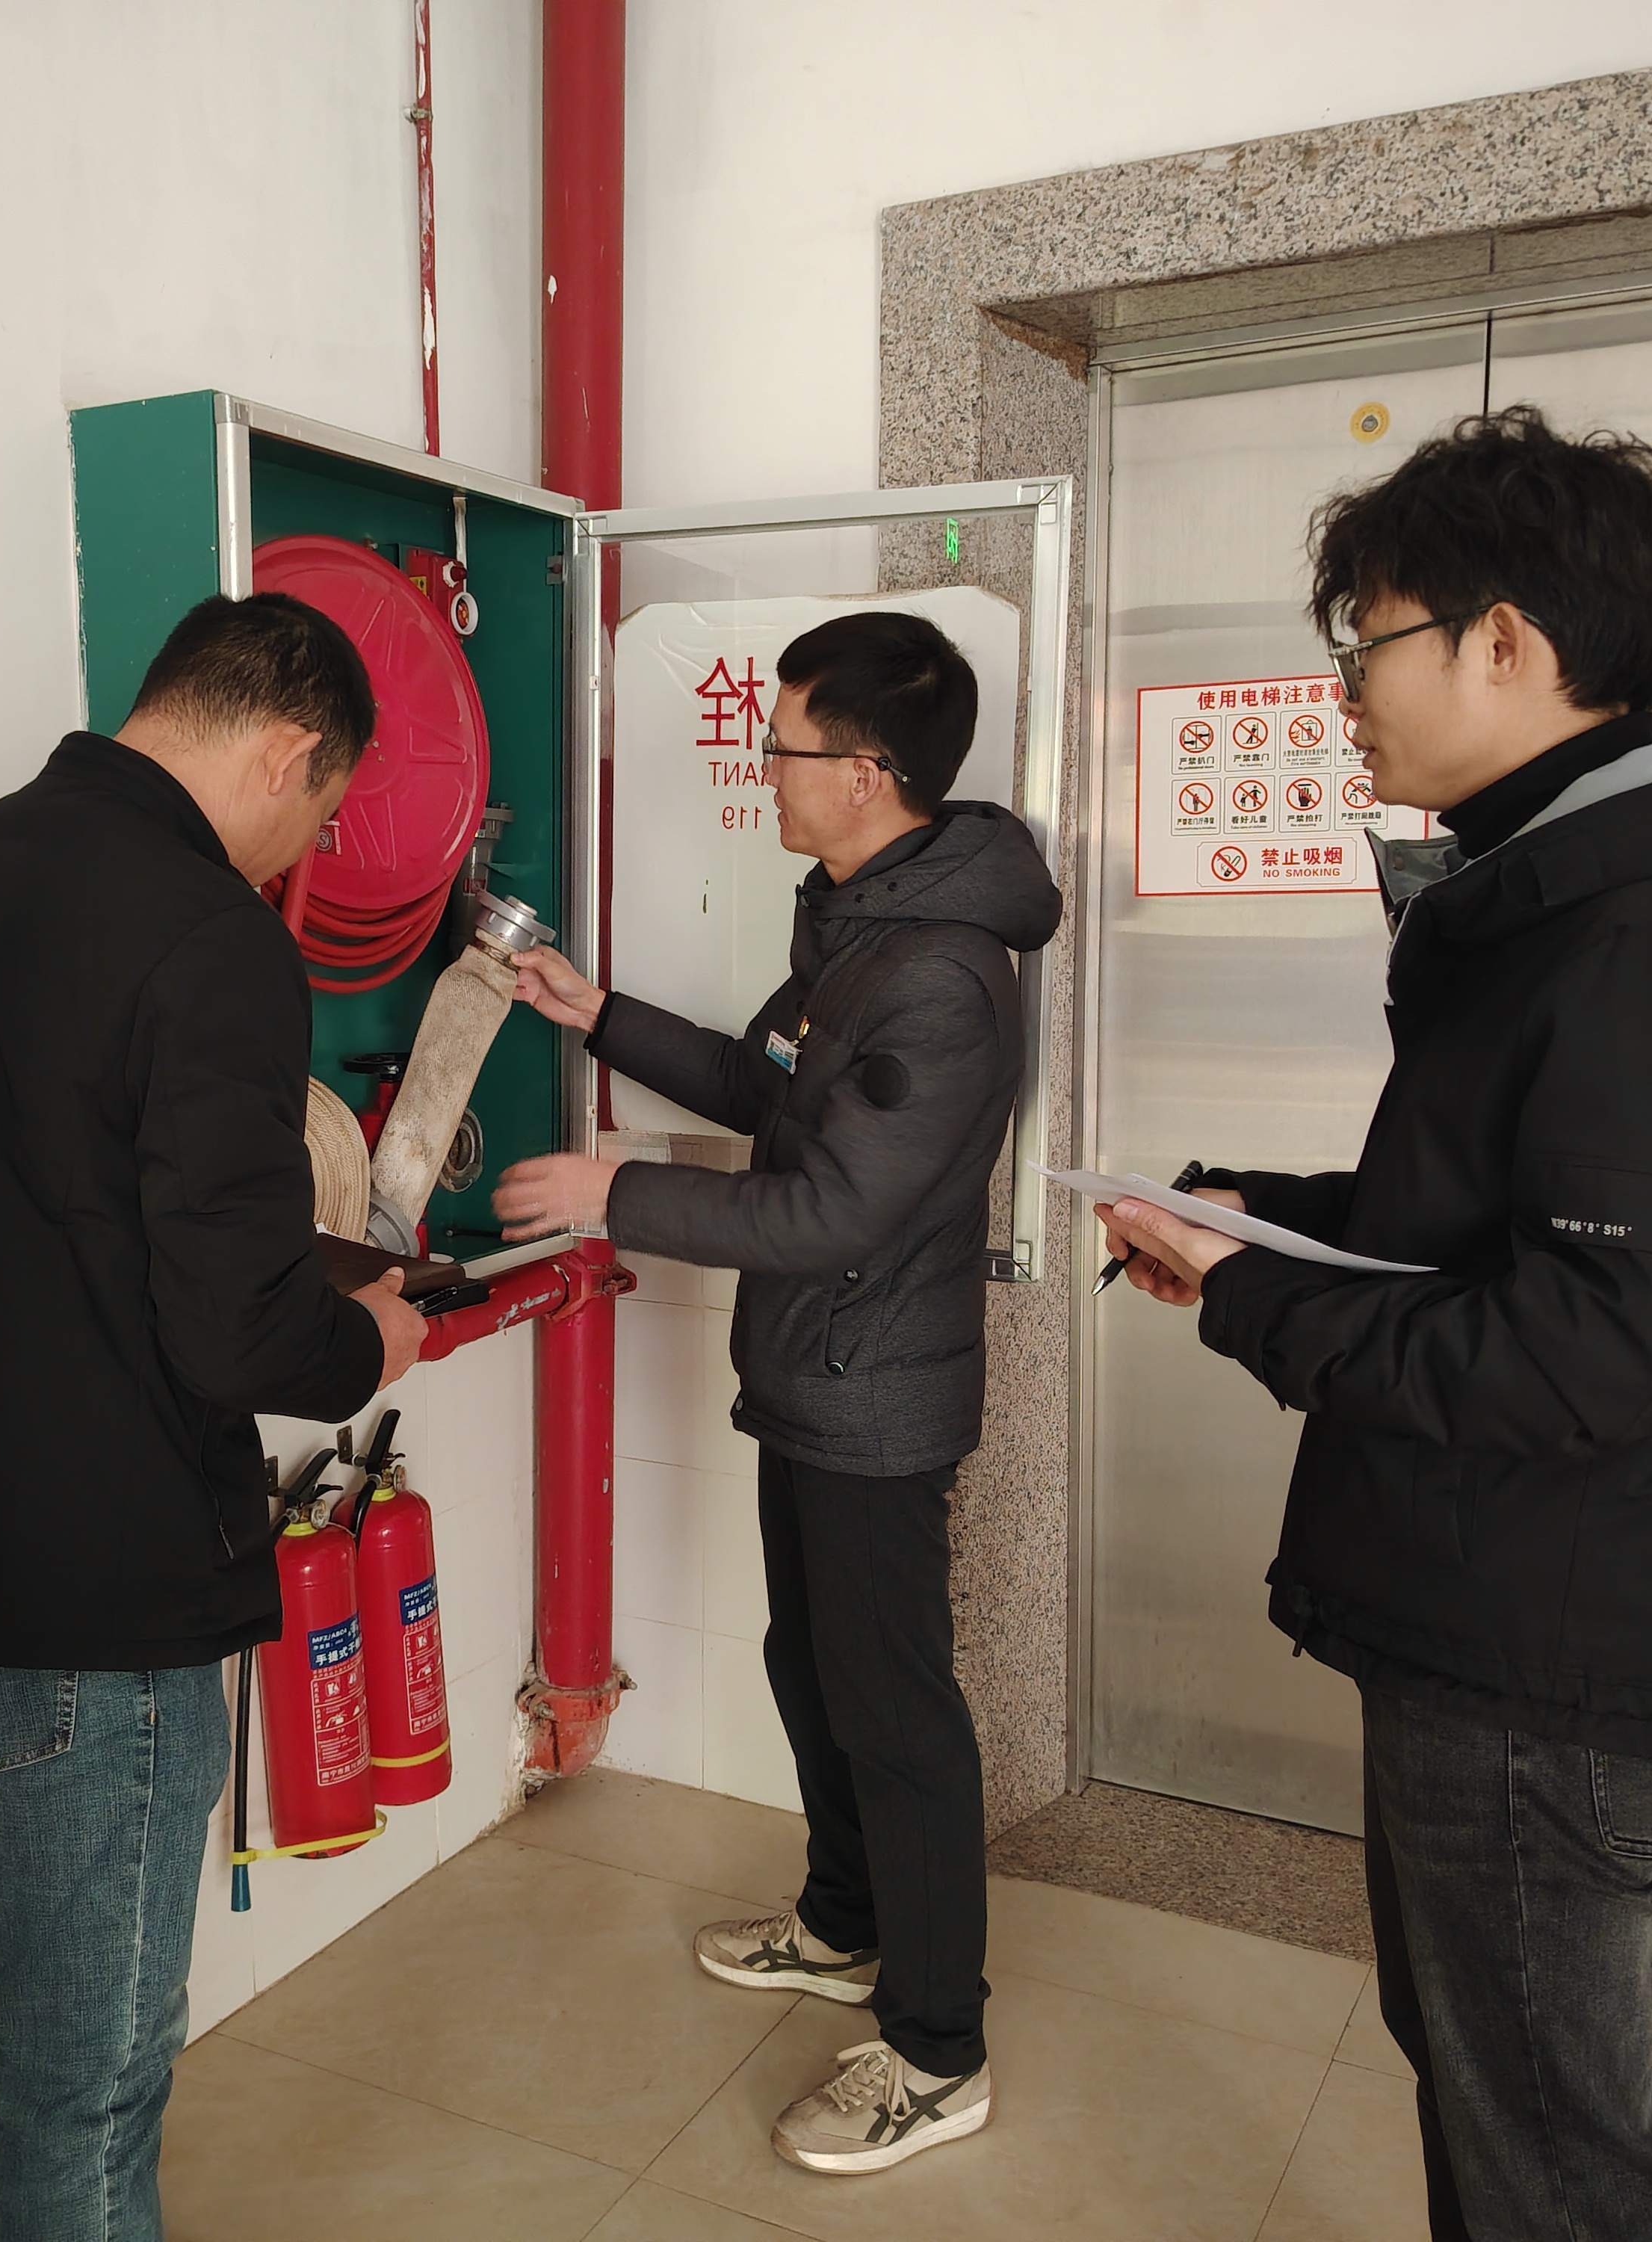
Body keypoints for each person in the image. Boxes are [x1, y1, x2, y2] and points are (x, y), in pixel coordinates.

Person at [1100, 407, 1652, 2241]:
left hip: (1538, 1639)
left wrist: (1256, 1302)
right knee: (1493, 2082)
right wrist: (1260, 1219)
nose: (1342, 695)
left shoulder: (1647, 937)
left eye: (1365, 642)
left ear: (1501, 643)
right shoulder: (1570, 903)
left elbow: (1596, 1351)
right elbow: (1493, 1220)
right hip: (1488, 1601)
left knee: (1548, 2146)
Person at [0, 593, 430, 2242]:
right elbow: (235, 1324)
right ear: (290, 753)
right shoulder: (208, 937)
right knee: (92, 2076)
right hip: (74, 1604)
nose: (305, 854)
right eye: (324, 815)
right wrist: (370, 1340)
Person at [492, 609, 1061, 2176]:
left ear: (866, 771)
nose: (766, 771)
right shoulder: (859, 922)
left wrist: (617, 1196)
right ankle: (844, 1923)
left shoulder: (940, 973)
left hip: (873, 1393)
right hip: (814, 1371)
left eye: (786, 747)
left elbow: (836, 1209)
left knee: (896, 1713)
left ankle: (936, 2051)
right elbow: (775, 1092)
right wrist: (598, 1016)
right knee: (808, 1666)